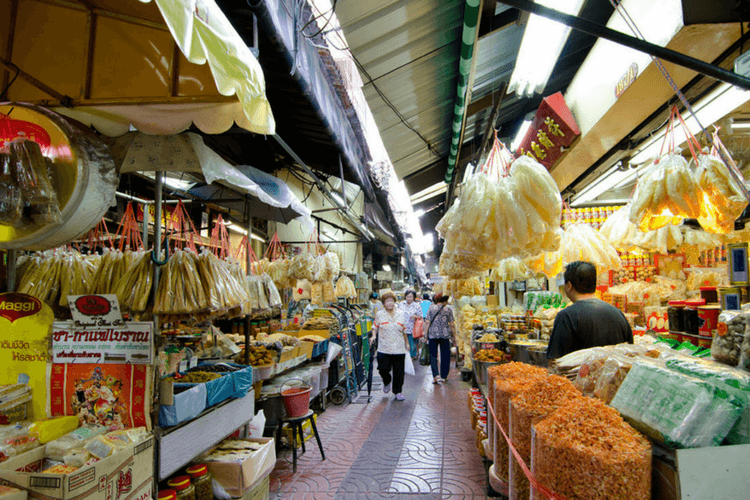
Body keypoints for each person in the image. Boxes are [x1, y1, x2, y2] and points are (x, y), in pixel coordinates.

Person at [547, 261, 634, 359]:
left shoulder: (566, 316)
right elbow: (630, 354)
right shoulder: (618, 314)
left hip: (579, 374)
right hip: (616, 373)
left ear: (569, 285)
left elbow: (555, 362)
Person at [370, 291, 409, 401]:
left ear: (394, 302)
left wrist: (407, 343)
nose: (390, 303)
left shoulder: (401, 313)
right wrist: (373, 336)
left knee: (399, 371)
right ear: (384, 303)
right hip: (384, 347)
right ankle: (387, 381)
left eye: (391, 301)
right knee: (383, 369)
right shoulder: (380, 314)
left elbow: (404, 330)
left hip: (399, 348)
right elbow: (375, 326)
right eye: (387, 301)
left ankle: (398, 391)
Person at [424, 293, 456, 384]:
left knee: (433, 355)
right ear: (445, 300)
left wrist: (425, 335)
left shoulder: (431, 308)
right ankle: (444, 376)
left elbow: (427, 322)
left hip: (433, 335)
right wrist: (454, 337)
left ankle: (436, 376)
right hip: (445, 335)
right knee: (445, 355)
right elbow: (452, 325)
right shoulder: (448, 309)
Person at [400, 290, 422, 359]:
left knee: (411, 345)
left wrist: (415, 316)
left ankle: (411, 358)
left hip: (411, 328)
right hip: (401, 328)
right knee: (402, 345)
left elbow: (420, 316)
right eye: (407, 296)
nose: (409, 298)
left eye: (410, 297)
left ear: (414, 298)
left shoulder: (417, 305)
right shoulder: (401, 304)